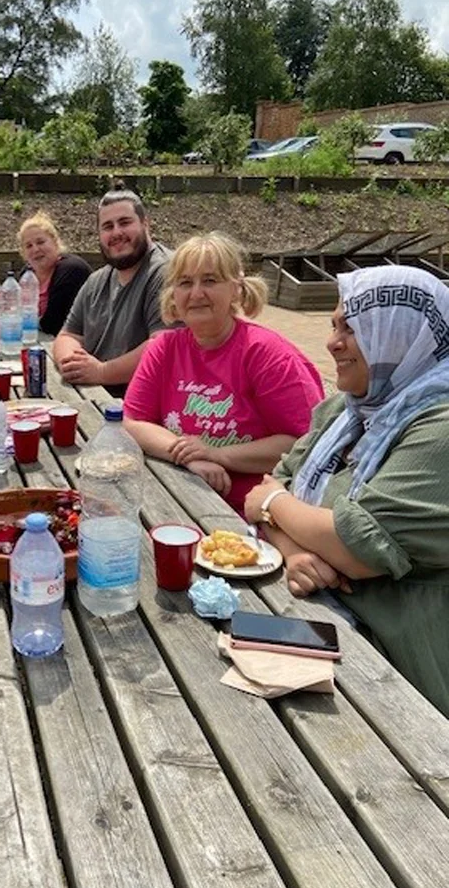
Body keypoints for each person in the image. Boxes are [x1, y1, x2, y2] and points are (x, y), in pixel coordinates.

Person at [243, 264, 449, 717]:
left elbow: (357, 549)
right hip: (319, 625)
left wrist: (276, 504)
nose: (333, 342)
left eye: (353, 328)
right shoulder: (345, 410)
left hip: (399, 679)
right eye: (334, 325)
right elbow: (266, 489)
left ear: (402, 333)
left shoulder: (440, 428)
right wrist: (295, 551)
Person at [123, 232, 324, 513]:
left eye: (210, 280)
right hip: (178, 496)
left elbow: (305, 445)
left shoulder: (269, 355)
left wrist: (218, 455)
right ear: (173, 295)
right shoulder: (164, 348)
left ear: (236, 289)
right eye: (185, 283)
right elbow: (132, 422)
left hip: (253, 513)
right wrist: (189, 456)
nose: (196, 294)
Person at [53, 187, 169, 396]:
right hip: (95, 397)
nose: (116, 233)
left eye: (125, 222)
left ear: (145, 224)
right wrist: (72, 364)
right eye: (107, 226)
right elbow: (68, 335)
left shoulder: (166, 272)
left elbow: (164, 347)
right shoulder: (96, 281)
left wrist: (101, 371)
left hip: (145, 406)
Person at [17, 211, 92, 335]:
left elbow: (53, 324)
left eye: (40, 242)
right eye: (29, 246)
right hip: (41, 339)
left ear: (55, 242)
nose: (35, 249)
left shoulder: (72, 270)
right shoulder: (27, 274)